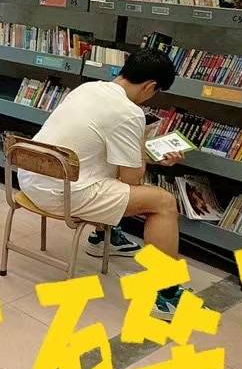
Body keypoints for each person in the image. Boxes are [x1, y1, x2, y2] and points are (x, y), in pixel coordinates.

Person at [14, 49, 188, 315]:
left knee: (102, 167)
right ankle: (164, 294)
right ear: (150, 86)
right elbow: (131, 180)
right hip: (63, 194)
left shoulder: (87, 89)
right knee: (163, 203)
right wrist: (142, 150)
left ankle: (104, 237)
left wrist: (142, 153)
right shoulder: (130, 112)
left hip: (30, 178)